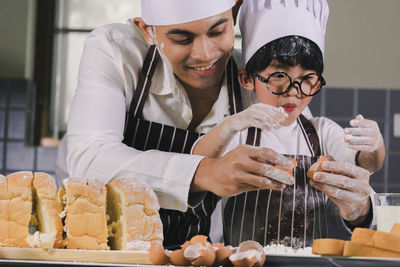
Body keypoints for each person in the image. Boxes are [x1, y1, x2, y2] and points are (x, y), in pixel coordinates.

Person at [58, 0, 298, 248]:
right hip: (106, 252)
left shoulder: (255, 78)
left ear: (234, 14)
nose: (205, 54)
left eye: (217, 31)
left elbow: (303, 149)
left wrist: (342, 210)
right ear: (147, 30)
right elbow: (89, 158)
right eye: (182, 39)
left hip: (198, 255)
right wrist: (206, 172)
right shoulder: (117, 50)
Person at [193, 0, 385, 247]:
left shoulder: (321, 132)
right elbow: (198, 161)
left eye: (307, 79)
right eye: (279, 76)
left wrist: (375, 144)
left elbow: (367, 163)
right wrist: (230, 125)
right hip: (244, 260)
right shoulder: (238, 133)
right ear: (247, 79)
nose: (294, 91)